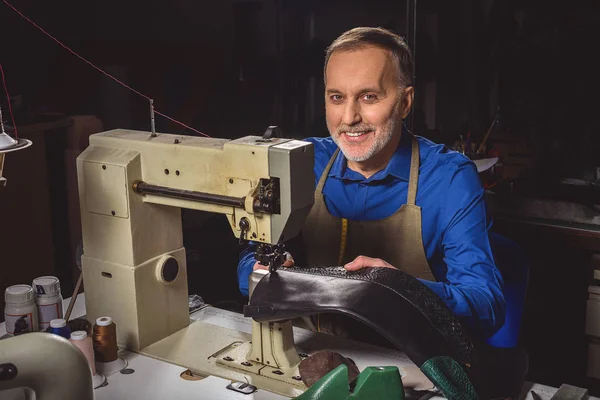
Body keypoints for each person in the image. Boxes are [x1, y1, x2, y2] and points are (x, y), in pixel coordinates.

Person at [238, 27, 507, 343]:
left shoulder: (449, 178)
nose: (349, 117)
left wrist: (399, 289)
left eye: (369, 97)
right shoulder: (302, 162)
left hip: (408, 359)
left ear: (405, 102)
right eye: (337, 97)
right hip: (310, 347)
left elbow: (487, 307)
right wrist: (264, 273)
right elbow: (249, 261)